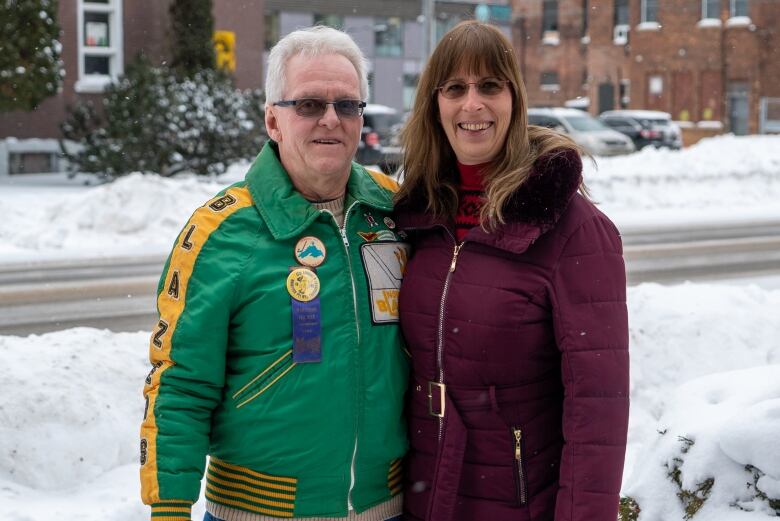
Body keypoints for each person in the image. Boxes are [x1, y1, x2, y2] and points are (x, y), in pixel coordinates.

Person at [140, 26, 410, 521]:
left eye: (347, 105)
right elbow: (181, 384)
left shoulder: (396, 213)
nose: (331, 118)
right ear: (272, 120)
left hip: (387, 508)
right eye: (308, 105)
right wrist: (170, 508)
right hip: (257, 512)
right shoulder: (220, 232)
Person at [394, 21, 629, 521]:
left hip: (519, 501)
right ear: (435, 105)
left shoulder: (572, 229)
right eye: (455, 88)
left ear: (514, 99)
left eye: (490, 86)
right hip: (423, 490)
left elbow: (598, 413)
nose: (472, 105)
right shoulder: (417, 217)